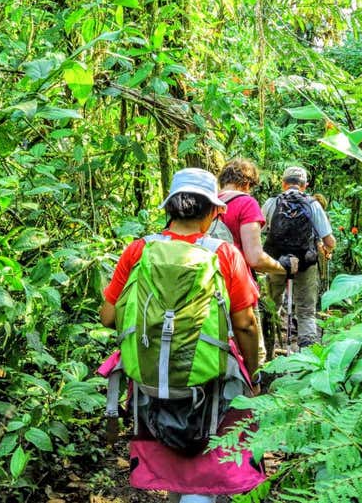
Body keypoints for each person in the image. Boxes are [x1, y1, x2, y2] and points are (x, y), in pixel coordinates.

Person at [99, 168, 262, 503]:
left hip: (149, 380)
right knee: (206, 453)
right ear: (213, 212)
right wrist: (254, 373)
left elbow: (108, 317)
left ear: (169, 208)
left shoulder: (138, 251)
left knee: (172, 463)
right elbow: (245, 323)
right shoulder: (224, 254)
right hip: (207, 379)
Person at [216, 159, 298, 361]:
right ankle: (253, 388)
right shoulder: (246, 203)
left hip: (208, 286)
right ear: (246, 183)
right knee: (251, 353)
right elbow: (255, 258)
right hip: (238, 287)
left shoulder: (207, 204)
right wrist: (283, 267)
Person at [262, 166, 336, 348]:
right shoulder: (313, 204)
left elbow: (258, 230)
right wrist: (326, 249)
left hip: (276, 262)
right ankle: (307, 360)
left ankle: (268, 351)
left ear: (283, 183)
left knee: (272, 306)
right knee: (306, 311)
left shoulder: (271, 203)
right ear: (304, 185)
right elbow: (330, 241)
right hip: (306, 262)